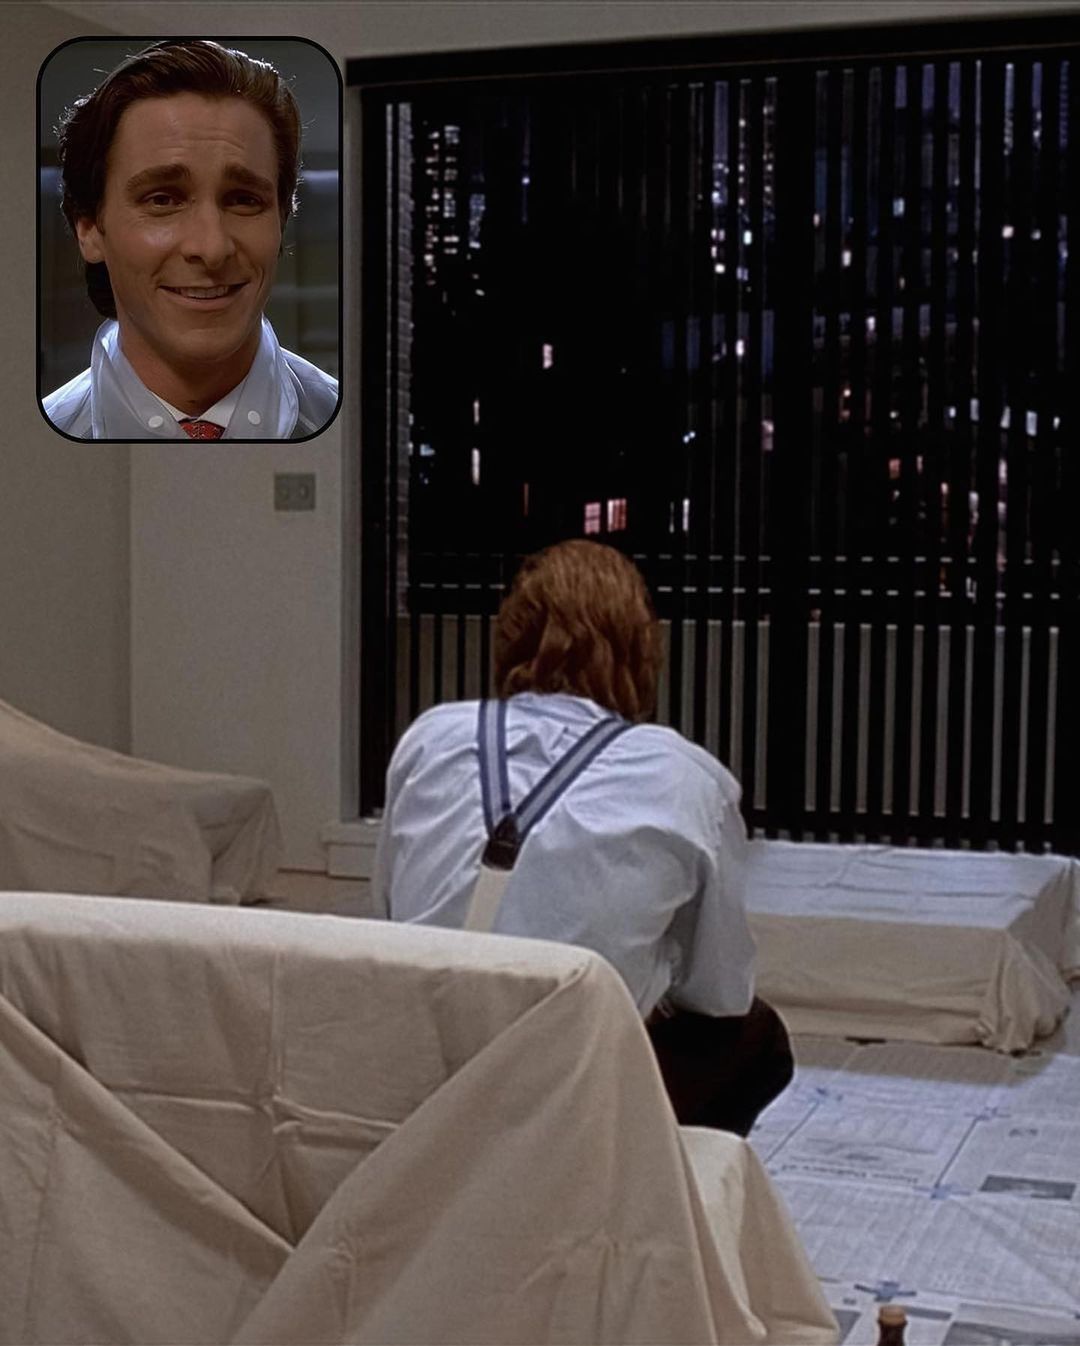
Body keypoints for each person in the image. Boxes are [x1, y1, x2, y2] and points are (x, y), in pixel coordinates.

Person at [373, 538, 793, 1136]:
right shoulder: (686, 776)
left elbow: (390, 917)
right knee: (759, 1038)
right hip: (571, 1093)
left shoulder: (429, 738)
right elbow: (720, 995)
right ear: (643, 650)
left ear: (510, 635)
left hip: (420, 1072)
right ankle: (646, 1180)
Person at [42, 39, 338, 441]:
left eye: (243, 200)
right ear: (89, 228)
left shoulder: (357, 427)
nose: (211, 248)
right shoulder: (27, 445)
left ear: (282, 220)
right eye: (163, 200)